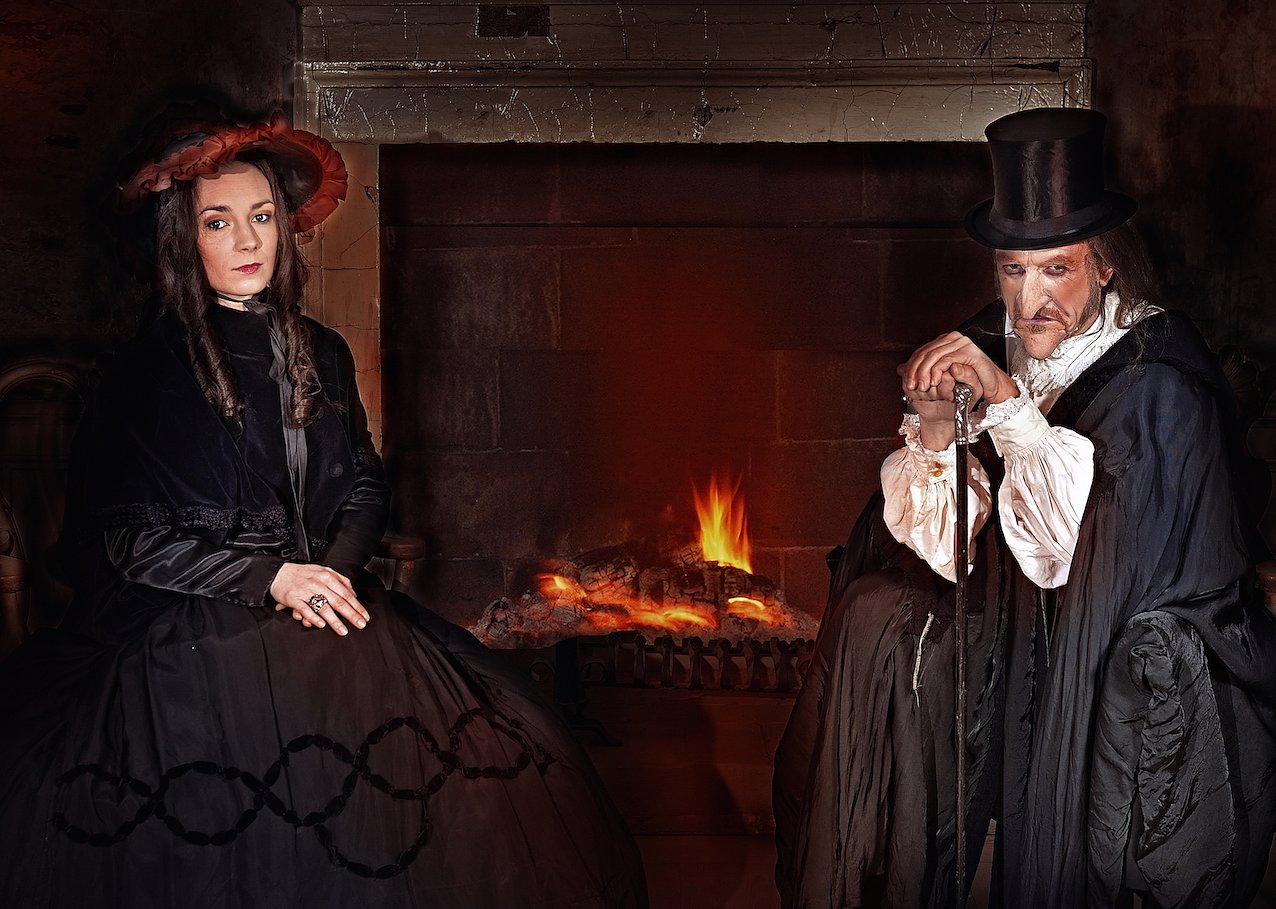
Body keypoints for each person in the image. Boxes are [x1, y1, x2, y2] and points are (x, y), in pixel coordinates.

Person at [0, 110, 648, 909]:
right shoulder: (147, 368)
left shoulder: (322, 349)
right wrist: (275, 579)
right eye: (218, 221)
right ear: (183, 239)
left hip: (318, 592)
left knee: (499, 737)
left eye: (262, 216)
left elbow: (366, 484)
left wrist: (329, 576)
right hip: (188, 613)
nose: (248, 240)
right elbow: (130, 541)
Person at [773, 107, 1276, 908]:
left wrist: (1009, 408)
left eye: (1055, 271)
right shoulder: (990, 341)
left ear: (1104, 267)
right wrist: (935, 432)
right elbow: (949, 549)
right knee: (877, 616)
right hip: (1021, 634)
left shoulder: (1160, 382)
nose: (1029, 299)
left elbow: (1080, 559)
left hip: (1135, 633)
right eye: (1013, 270)